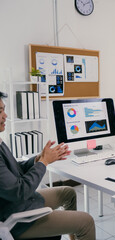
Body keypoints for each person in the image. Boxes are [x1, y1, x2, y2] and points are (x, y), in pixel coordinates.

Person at [0, 91, 95, 240]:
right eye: (0, 111)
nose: (5, 115)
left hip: (20, 204)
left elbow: (15, 169)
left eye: (4, 109)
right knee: (86, 222)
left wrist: (38, 158)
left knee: (68, 193)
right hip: (16, 219)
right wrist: (44, 162)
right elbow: (19, 191)